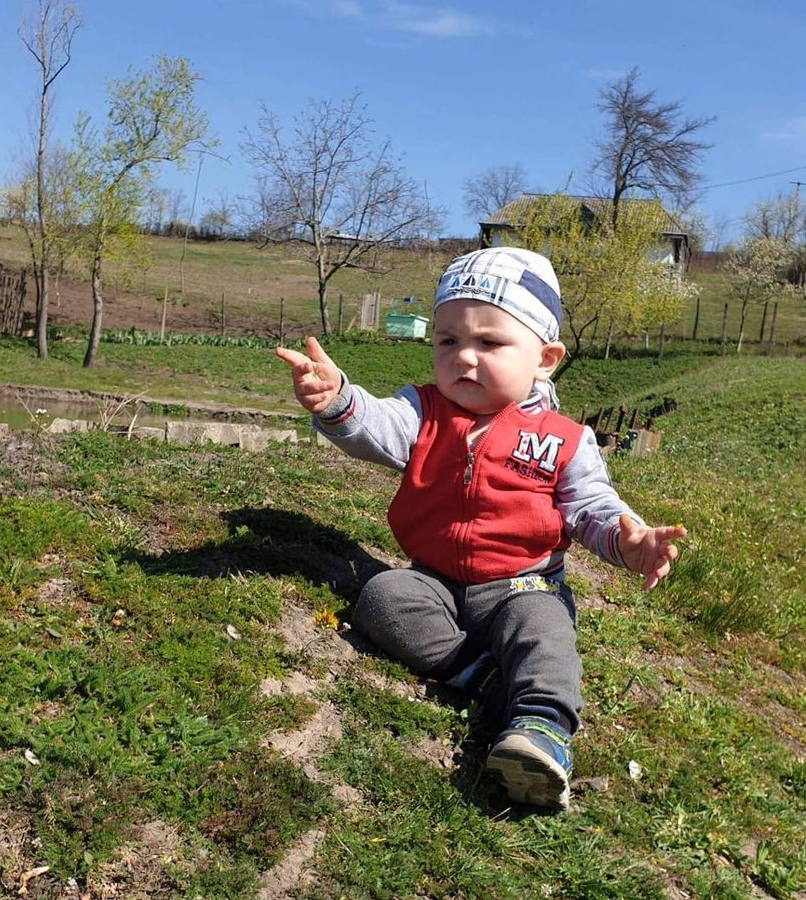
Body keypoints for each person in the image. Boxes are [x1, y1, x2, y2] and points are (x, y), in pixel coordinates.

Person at [276, 247, 686, 810]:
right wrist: (338, 400)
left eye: (490, 343)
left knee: (543, 631)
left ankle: (541, 731)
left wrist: (630, 539)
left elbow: (590, 507)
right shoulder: (423, 411)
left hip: (523, 584)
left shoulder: (564, 439)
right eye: (448, 341)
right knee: (383, 596)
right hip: (434, 581)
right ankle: (487, 681)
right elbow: (377, 427)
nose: (464, 358)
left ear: (545, 358)